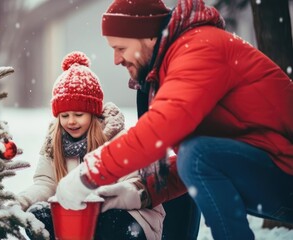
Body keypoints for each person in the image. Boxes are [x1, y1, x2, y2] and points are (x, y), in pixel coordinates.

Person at [54, 0, 293, 239]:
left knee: (196, 155)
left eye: (121, 48)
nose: (116, 59)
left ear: (147, 37)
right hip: (276, 169)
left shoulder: (200, 47)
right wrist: (142, 191)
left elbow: (161, 130)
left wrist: (89, 173)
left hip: (284, 167)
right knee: (196, 156)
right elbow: (207, 163)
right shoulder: (175, 60)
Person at [16, 51, 166, 240]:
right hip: (79, 220)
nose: (71, 121)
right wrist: (21, 202)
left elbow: (135, 183)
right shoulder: (54, 144)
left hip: (126, 217)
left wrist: (97, 199)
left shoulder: (119, 139)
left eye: (79, 115)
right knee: (38, 214)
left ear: (94, 113)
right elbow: (45, 184)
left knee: (111, 221)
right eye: (64, 115)